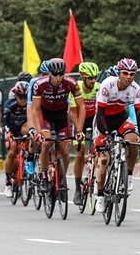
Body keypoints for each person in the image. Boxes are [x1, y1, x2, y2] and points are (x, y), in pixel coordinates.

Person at [94, 58, 140, 213]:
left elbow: (139, 115)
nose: (128, 77)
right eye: (125, 73)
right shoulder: (107, 85)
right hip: (103, 120)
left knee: (133, 141)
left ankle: (128, 175)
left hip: (120, 118)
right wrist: (107, 134)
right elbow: (100, 113)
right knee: (103, 159)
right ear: (119, 73)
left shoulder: (136, 89)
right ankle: (100, 194)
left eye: (132, 74)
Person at [28, 58, 84, 193]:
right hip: (45, 114)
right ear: (49, 73)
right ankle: (44, 176)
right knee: (46, 143)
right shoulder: (40, 84)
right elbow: (35, 109)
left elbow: (81, 107)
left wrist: (79, 130)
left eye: (61, 74)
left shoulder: (71, 83)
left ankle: (62, 179)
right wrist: (38, 132)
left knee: (64, 150)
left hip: (61, 115)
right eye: (55, 75)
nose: (58, 78)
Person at [72, 62, 101, 205]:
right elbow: (72, 112)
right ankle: (77, 188)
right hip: (79, 122)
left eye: (95, 77)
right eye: (90, 78)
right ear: (83, 77)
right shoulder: (75, 88)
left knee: (101, 152)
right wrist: (78, 129)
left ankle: (97, 181)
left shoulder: (99, 88)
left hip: (94, 121)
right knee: (79, 154)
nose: (93, 81)